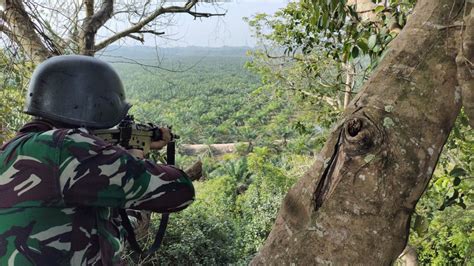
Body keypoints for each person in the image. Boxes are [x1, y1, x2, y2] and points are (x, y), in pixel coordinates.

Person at [0, 55, 195, 265]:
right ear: (92, 106)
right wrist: (135, 157)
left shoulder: (12, 150)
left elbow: (85, 222)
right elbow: (180, 191)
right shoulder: (68, 147)